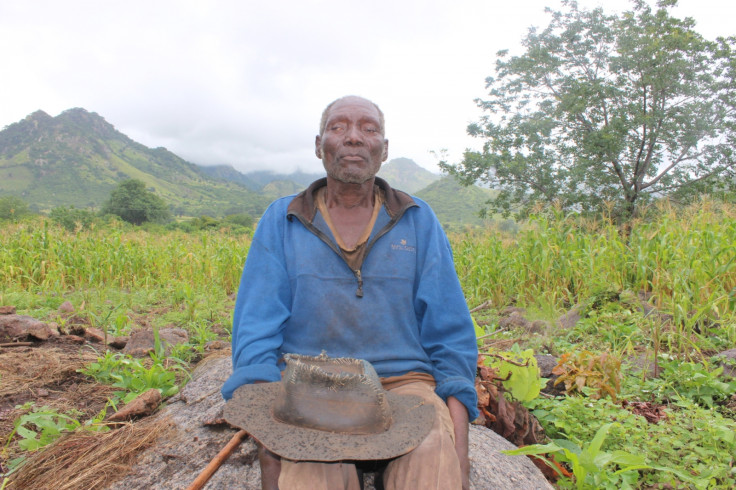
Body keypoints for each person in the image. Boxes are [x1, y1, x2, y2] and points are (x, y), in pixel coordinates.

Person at [222, 95, 478, 489]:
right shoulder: (283, 218)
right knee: (311, 471)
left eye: (369, 128)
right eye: (338, 126)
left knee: (430, 458)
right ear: (318, 144)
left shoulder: (417, 219)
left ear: (385, 149)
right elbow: (256, 330)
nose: (354, 137)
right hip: (310, 385)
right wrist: (269, 448)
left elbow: (451, 333)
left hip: (405, 384)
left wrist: (458, 448)